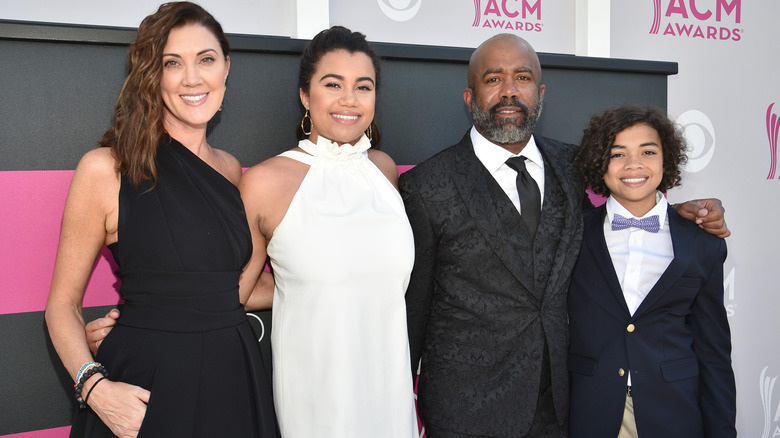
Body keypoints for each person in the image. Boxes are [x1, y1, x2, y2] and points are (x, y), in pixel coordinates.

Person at [399, 34, 730, 437]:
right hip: (466, 413)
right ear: (469, 97)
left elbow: (620, 212)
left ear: (540, 94)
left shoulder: (573, 167)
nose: (509, 91)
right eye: (493, 79)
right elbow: (410, 316)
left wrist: (677, 215)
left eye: (521, 78)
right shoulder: (426, 186)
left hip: (564, 410)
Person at [45, 3, 277, 437]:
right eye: (173, 63)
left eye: (206, 59)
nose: (192, 78)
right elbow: (62, 306)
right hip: (147, 388)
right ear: (153, 76)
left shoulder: (230, 169)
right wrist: (95, 388)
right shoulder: (106, 168)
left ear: (227, 67)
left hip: (234, 375)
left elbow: (229, 289)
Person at [238, 26, 418, 437]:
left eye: (363, 86)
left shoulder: (383, 170)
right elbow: (236, 291)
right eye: (332, 84)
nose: (349, 100)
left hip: (390, 394)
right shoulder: (266, 182)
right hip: (318, 399)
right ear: (305, 95)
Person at [567, 105, 736, 438]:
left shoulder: (701, 245)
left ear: (666, 159)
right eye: (618, 154)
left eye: (648, 151)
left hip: (674, 412)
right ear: (600, 163)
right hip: (591, 410)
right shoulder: (573, 236)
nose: (634, 165)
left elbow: (713, 353)